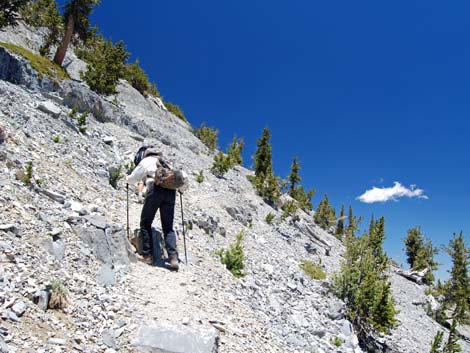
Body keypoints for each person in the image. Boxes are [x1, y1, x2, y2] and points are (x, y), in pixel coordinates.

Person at [126, 148, 180, 270]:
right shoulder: (167, 163)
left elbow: (135, 177)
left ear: (146, 154)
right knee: (168, 227)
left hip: (155, 189)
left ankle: (147, 256)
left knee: (145, 222)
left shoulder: (147, 161)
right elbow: (180, 181)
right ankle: (173, 258)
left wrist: (127, 179)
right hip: (171, 193)